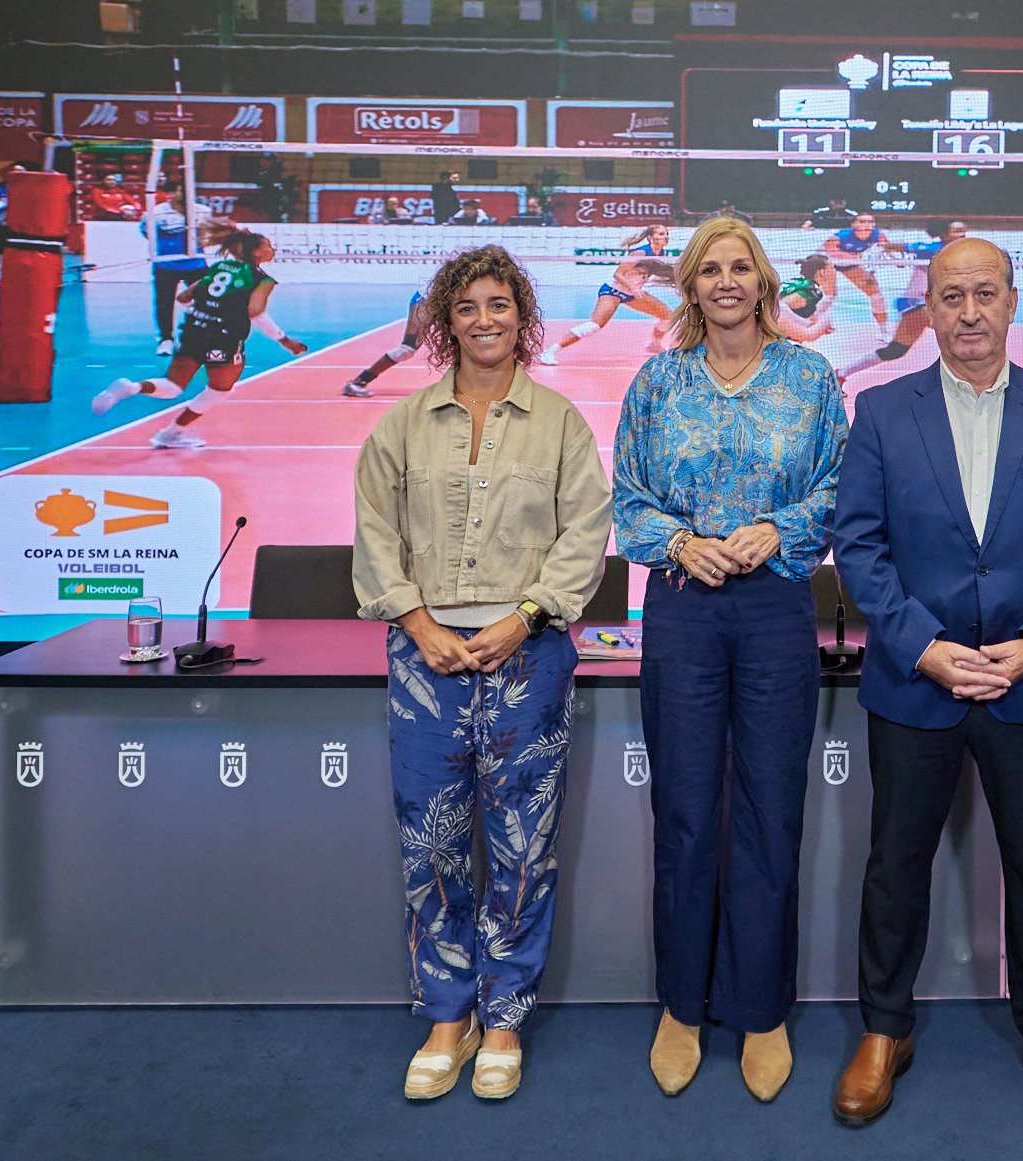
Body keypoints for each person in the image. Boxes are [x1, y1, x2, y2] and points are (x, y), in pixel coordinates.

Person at [831, 237, 1023, 1135]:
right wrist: (925, 647)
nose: (967, 312)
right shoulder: (881, 412)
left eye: (983, 293)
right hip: (918, 681)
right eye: (950, 295)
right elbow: (861, 546)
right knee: (895, 865)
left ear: (1011, 301)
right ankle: (885, 1028)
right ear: (930, 304)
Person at [352, 244, 613, 1102]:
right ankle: (447, 1017)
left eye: (501, 304)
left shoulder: (561, 423)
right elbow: (375, 535)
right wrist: (418, 622)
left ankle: (505, 1021)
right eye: (468, 307)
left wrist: (525, 617)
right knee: (431, 844)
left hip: (528, 655)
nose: (486, 320)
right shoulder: (400, 426)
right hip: (425, 657)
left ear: (522, 316)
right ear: (444, 322)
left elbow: (586, 536)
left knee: (522, 848)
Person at [612, 216, 847, 1104]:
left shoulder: (810, 376)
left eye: (739, 266)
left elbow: (836, 488)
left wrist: (774, 530)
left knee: (768, 811)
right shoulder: (657, 381)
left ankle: (759, 1008)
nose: (725, 281)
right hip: (682, 610)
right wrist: (678, 541)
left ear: (764, 280)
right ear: (689, 284)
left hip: (778, 608)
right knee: (683, 812)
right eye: (708, 268)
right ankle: (682, 1004)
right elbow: (627, 497)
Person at [92, 222, 308, 448]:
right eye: (269, 246)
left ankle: (133, 387)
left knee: (172, 386)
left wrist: (207, 312)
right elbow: (254, 311)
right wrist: (284, 341)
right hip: (223, 339)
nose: (272, 250)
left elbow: (184, 297)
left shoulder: (220, 267)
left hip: (192, 330)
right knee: (219, 391)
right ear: (256, 252)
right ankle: (171, 433)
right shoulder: (262, 279)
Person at [834, 220, 968, 387]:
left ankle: (841, 373)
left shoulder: (962, 252)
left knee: (895, 350)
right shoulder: (930, 250)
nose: (961, 235)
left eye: (963, 231)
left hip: (933, 305)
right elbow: (900, 246)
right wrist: (879, 246)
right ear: (944, 235)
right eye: (956, 232)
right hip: (916, 304)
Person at [540, 224, 674, 364]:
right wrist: (633, 288)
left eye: (666, 234)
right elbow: (618, 274)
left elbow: (654, 272)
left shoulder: (661, 254)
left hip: (632, 293)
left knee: (668, 315)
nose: (665, 237)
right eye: (660, 234)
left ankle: (654, 344)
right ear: (650, 237)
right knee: (595, 325)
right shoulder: (640, 253)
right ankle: (550, 351)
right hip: (614, 291)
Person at [139, 179, 214, 356]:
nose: (187, 194)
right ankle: (166, 339)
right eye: (182, 191)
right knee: (164, 302)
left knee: (206, 301)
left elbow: (206, 234)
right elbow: (146, 232)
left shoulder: (202, 211)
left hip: (196, 264)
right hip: (166, 266)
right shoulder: (155, 213)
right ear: (170, 194)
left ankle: (204, 337)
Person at [822, 212, 900, 341]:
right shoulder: (841, 236)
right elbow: (829, 250)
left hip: (851, 265)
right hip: (828, 263)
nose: (866, 225)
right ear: (854, 224)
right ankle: (815, 323)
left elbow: (888, 248)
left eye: (870, 222)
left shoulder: (878, 235)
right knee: (829, 295)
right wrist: (856, 257)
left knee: (877, 297)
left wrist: (897, 260)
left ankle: (883, 332)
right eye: (862, 222)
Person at [343, 285, 431, 397]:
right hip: (426, 300)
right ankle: (359, 382)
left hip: (449, 302)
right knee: (407, 349)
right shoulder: (454, 270)